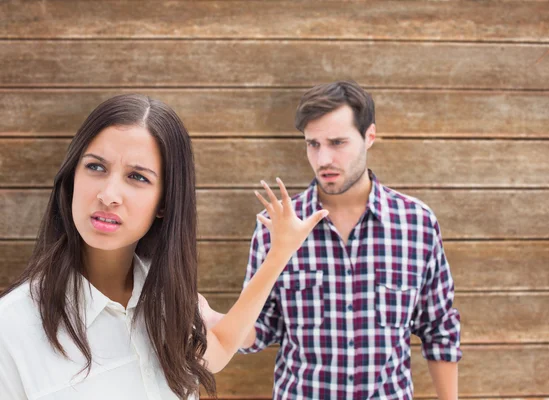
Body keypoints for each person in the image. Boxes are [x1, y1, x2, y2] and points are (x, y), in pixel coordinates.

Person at [0, 94, 327, 399]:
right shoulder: (12, 328)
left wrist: (279, 253)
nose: (109, 194)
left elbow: (222, 346)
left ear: (165, 202)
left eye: (137, 177)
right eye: (96, 167)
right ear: (72, 177)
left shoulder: (169, 300)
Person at [201, 81, 462, 399]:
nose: (323, 158)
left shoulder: (416, 224)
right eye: (313, 144)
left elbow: (439, 328)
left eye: (337, 142)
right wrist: (219, 322)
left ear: (370, 137)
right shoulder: (278, 226)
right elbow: (262, 329)